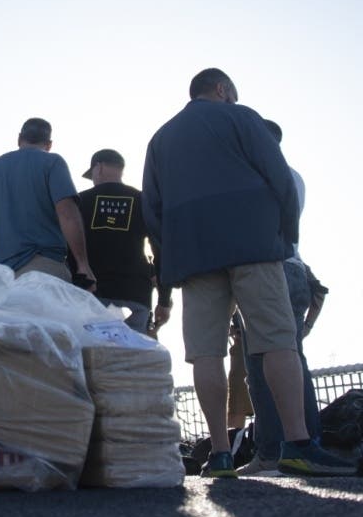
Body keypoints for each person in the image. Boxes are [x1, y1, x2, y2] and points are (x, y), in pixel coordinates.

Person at [142, 67, 356, 477]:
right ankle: (298, 444)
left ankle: (220, 454)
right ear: (222, 89)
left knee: (205, 353)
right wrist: (284, 235)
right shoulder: (243, 118)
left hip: (193, 255)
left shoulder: (161, 137)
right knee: (277, 341)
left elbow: (152, 209)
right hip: (254, 246)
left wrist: (170, 264)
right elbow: (281, 181)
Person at [238, 119, 322, 475]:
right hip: (294, 270)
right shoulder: (294, 176)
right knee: (292, 360)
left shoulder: (260, 176)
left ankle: (271, 451)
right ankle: (307, 445)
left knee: (260, 364)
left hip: (267, 270)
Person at [0, 118, 95, 286]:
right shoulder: (52, 162)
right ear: (49, 145)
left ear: (19, 139)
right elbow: (67, 213)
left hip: (1, 278)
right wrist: (83, 264)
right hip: (43, 269)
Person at [75, 148, 172, 334]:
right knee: (133, 357)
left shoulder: (80, 201)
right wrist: (164, 301)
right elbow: (160, 250)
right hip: (135, 295)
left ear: (99, 168)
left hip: (91, 296)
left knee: (93, 357)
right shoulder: (143, 200)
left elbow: (69, 249)